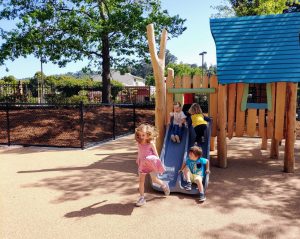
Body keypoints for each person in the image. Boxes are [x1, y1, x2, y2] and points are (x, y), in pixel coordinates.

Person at [135, 124, 170, 207]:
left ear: (148, 134)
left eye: (143, 135)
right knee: (141, 181)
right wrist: (138, 159)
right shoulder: (139, 142)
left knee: (154, 180)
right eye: (139, 135)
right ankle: (142, 198)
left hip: (150, 163)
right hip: (143, 164)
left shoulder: (151, 143)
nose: (141, 137)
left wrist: (159, 165)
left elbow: (156, 155)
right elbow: (139, 151)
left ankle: (164, 185)